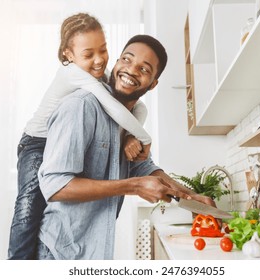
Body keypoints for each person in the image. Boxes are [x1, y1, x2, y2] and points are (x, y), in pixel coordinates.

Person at [36, 34, 214, 260]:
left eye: (144, 69)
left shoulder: (131, 120)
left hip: (92, 251)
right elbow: (54, 186)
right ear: (117, 62)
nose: (131, 70)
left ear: (153, 84)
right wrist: (135, 186)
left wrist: (189, 195)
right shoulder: (81, 107)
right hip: (58, 251)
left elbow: (144, 167)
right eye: (127, 60)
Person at [8, 13, 152, 260]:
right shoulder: (72, 73)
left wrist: (131, 135)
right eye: (88, 55)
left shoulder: (99, 73)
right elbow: (114, 106)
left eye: (103, 50)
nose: (98, 61)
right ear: (68, 54)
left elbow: (138, 107)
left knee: (49, 212)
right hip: (37, 144)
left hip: (59, 143)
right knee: (28, 210)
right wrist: (145, 139)